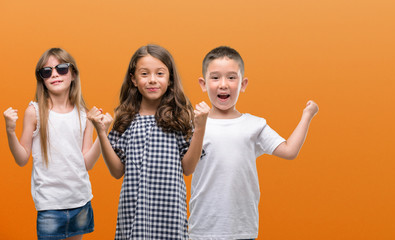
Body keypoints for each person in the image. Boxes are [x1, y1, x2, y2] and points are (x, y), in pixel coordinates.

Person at [189, 46, 319, 240]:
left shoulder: (254, 125)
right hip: (201, 228)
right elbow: (182, 164)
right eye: (215, 77)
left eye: (232, 77)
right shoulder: (194, 124)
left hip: (242, 228)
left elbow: (289, 150)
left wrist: (307, 116)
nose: (223, 84)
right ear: (203, 83)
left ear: (243, 84)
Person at [87, 44, 209, 240]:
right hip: (134, 216)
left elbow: (188, 168)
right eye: (144, 74)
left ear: (169, 80)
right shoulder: (125, 120)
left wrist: (200, 128)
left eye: (160, 73)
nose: (152, 80)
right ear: (134, 80)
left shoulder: (179, 118)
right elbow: (117, 172)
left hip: (170, 216)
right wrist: (101, 133)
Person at [3, 48, 106, 240]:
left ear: (73, 73)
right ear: (41, 78)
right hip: (50, 203)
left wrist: (102, 132)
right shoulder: (34, 112)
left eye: (61, 68)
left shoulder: (84, 114)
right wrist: (10, 131)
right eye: (47, 71)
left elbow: (87, 163)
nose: (55, 75)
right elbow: (22, 158)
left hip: (80, 200)